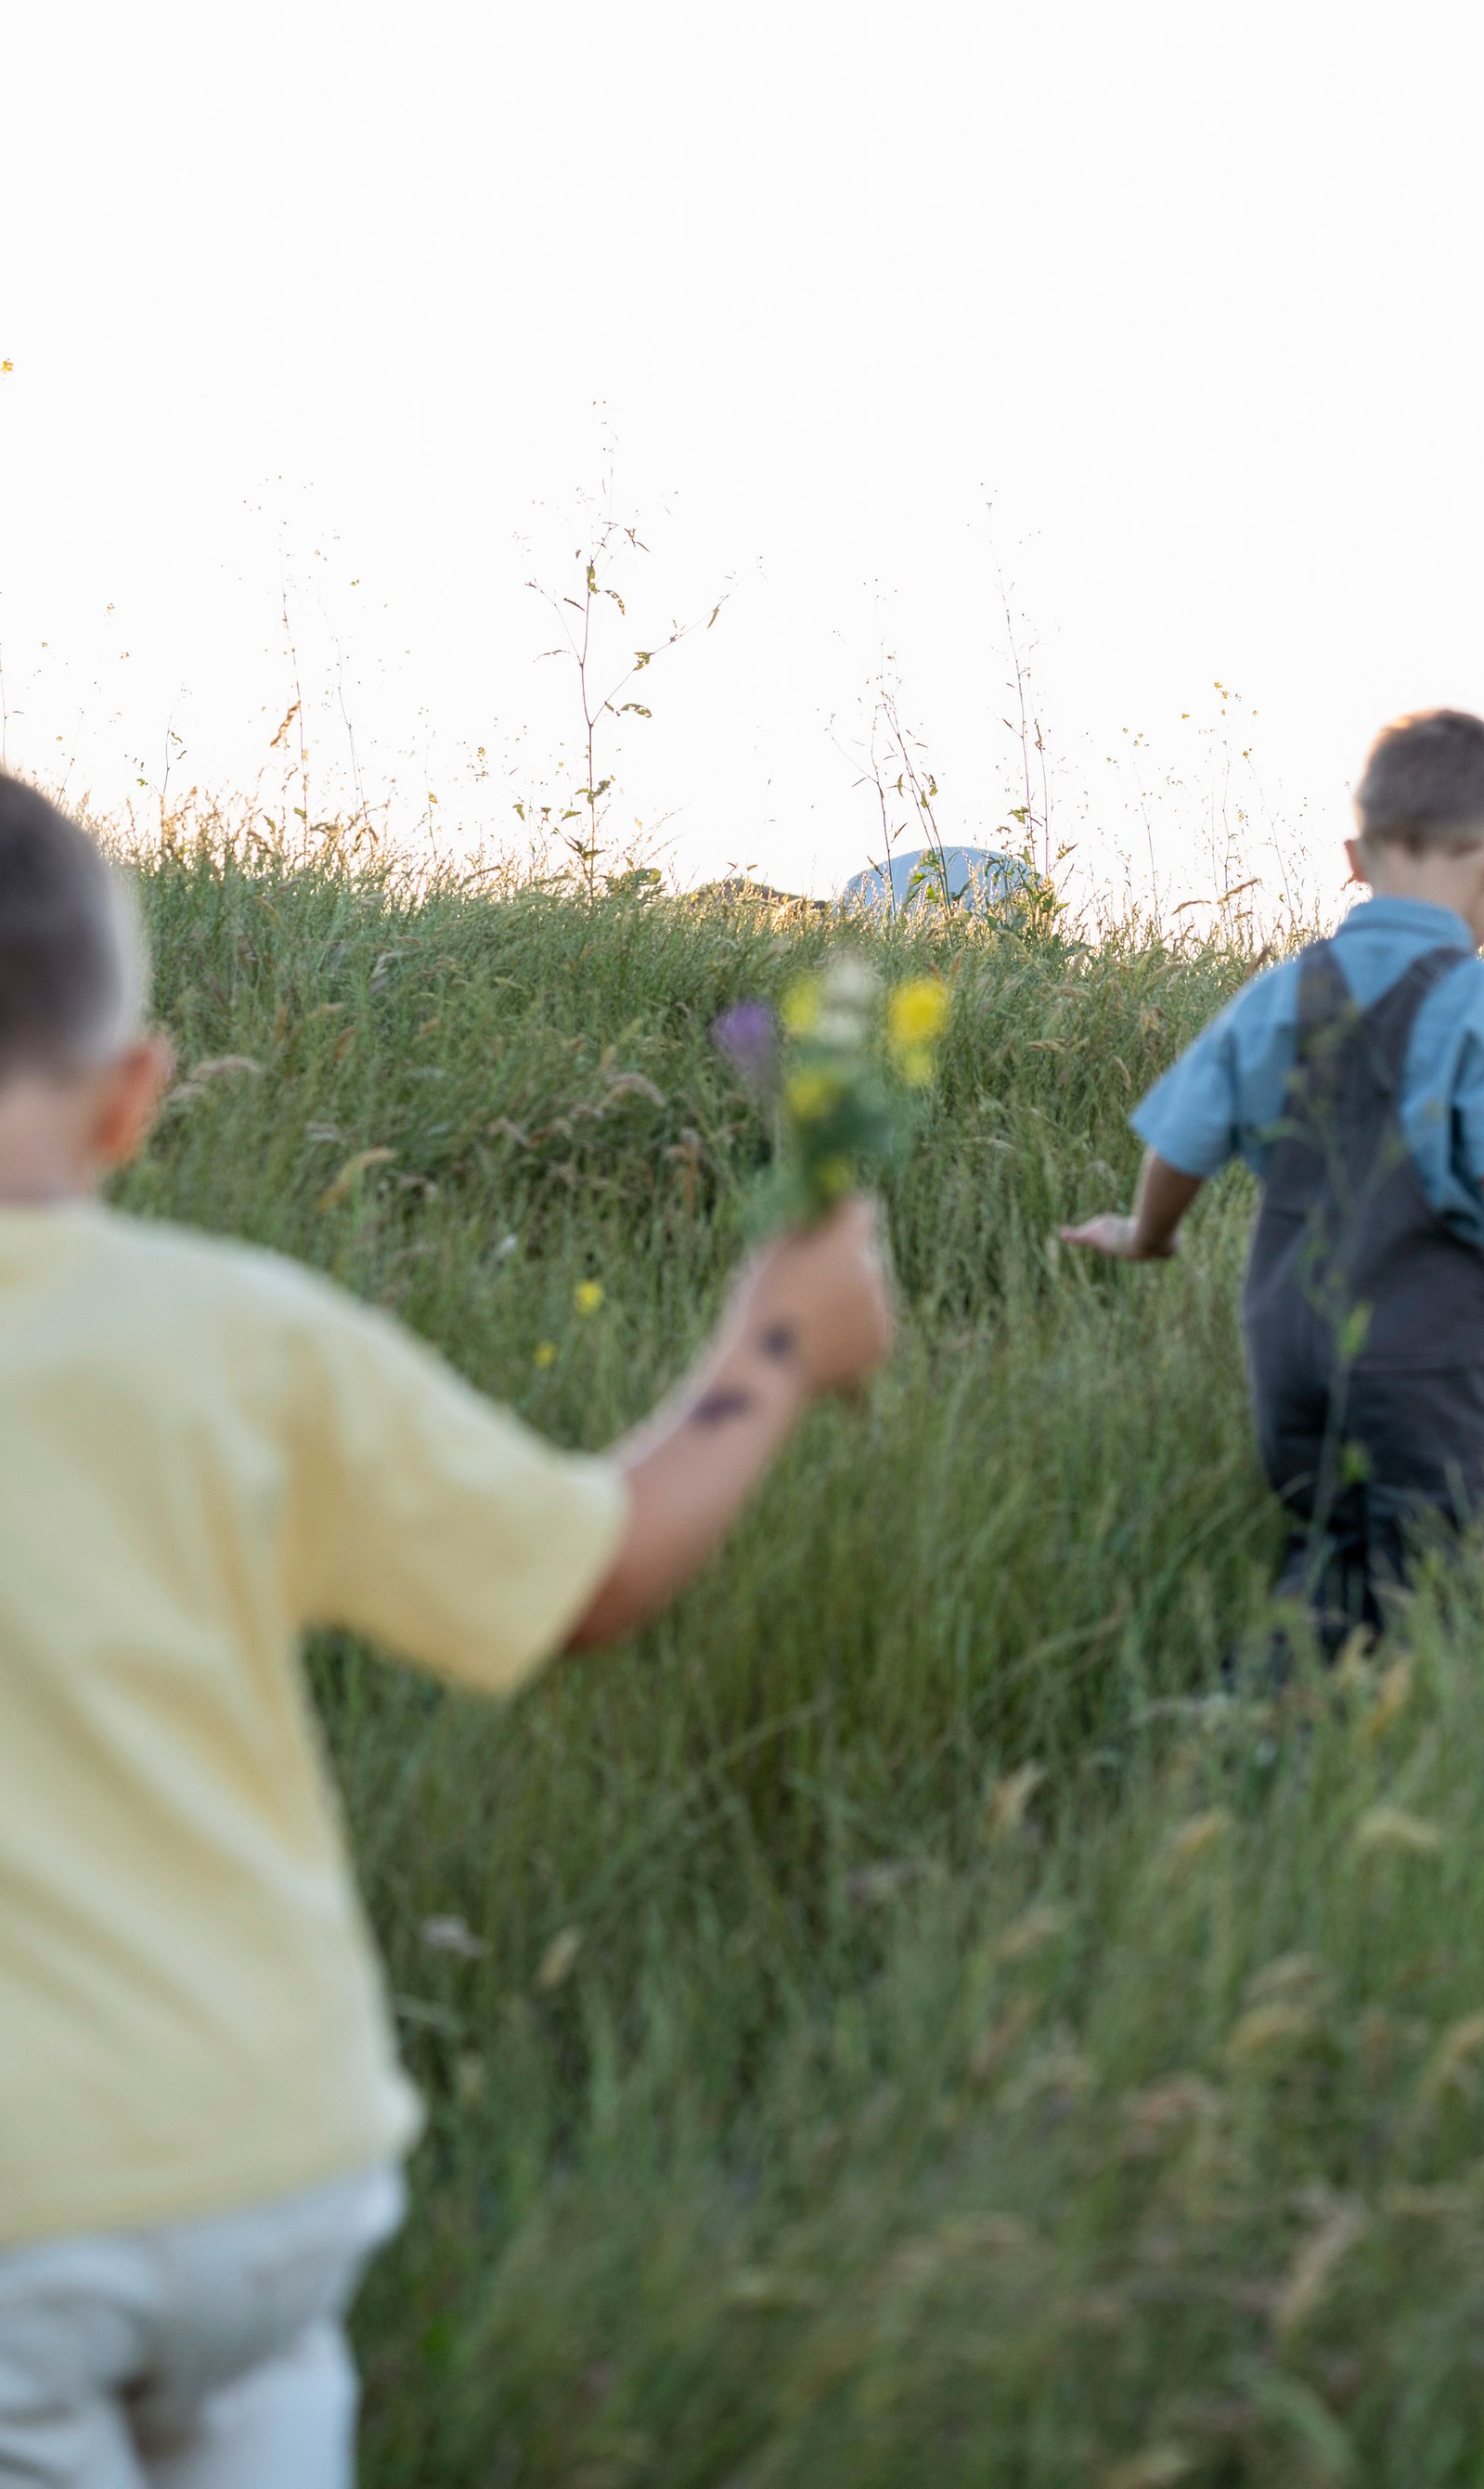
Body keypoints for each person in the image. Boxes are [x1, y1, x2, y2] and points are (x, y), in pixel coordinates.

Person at [0, 775, 896, 2488]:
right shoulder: (243, 1345)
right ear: (131, 1098)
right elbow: (596, 1572)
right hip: (264, 2171)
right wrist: (772, 1342)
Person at [1057, 710, 1484, 1650]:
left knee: (1330, 1552)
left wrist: (1142, 1235)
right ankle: (1434, 1738)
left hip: (1289, 1350)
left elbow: (1181, 1149)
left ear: (1355, 857)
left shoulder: (1278, 993)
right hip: (1433, 1360)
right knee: (1459, 1579)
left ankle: (1282, 1721)